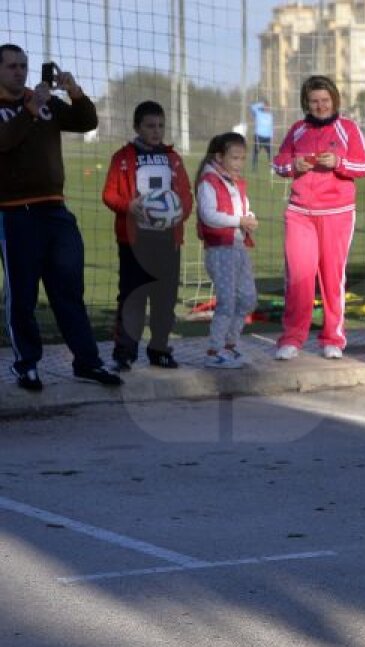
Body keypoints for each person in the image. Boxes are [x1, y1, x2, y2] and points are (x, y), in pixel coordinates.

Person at [0, 44, 121, 390]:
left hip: (55, 209)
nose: (20, 72)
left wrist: (74, 91)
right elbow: (5, 141)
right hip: (15, 213)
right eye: (11, 67)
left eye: (23, 66)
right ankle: (27, 365)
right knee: (22, 295)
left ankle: (87, 362)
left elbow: (86, 121)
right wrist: (29, 108)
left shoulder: (44, 101)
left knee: (68, 290)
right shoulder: (25, 104)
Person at [271, 75, 365, 361]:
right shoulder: (297, 130)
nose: (320, 106)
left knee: (332, 278)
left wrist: (339, 163)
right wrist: (293, 165)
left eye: (325, 101)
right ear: (306, 103)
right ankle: (292, 338)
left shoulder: (348, 129)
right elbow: (278, 164)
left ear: (334, 100)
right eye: (314, 101)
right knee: (299, 277)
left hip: (337, 214)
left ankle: (333, 339)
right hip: (300, 213)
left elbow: (364, 165)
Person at [102, 100, 193, 371]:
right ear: (137, 127)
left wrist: (179, 213)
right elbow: (109, 194)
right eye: (150, 126)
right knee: (132, 297)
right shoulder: (122, 157)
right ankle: (125, 352)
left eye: (160, 126)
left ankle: (159, 349)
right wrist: (128, 206)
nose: (156, 131)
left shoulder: (173, 158)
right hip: (135, 240)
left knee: (165, 297)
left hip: (167, 240)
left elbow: (186, 195)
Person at [195, 133, 257, 368]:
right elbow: (208, 215)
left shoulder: (236, 182)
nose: (240, 163)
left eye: (242, 158)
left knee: (248, 298)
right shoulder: (208, 182)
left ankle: (231, 345)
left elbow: (245, 209)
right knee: (227, 301)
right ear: (220, 157)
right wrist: (239, 221)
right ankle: (214, 351)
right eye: (235, 158)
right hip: (220, 251)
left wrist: (249, 218)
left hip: (239, 249)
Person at [249, 101, 273, 171]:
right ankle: (254, 168)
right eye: (265, 106)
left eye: (268, 107)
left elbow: (271, 126)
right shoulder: (258, 113)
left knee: (270, 153)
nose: (267, 108)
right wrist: (261, 104)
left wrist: (272, 136)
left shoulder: (270, 115)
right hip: (258, 136)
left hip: (267, 137)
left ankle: (272, 168)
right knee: (256, 152)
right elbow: (252, 107)